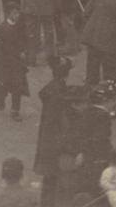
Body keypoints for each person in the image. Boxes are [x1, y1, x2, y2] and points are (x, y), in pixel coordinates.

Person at [34, 56, 78, 207]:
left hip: (47, 139)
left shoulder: (53, 88)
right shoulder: (60, 93)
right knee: (56, 177)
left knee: (49, 177)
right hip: (55, 140)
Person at [0, 3, 29, 121]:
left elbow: (24, 41)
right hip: (4, 64)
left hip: (16, 63)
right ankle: (1, 100)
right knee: (2, 85)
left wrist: (24, 51)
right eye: (14, 13)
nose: (17, 16)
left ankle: (15, 110)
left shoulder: (20, 27)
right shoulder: (0, 29)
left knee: (17, 86)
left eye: (18, 13)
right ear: (8, 14)